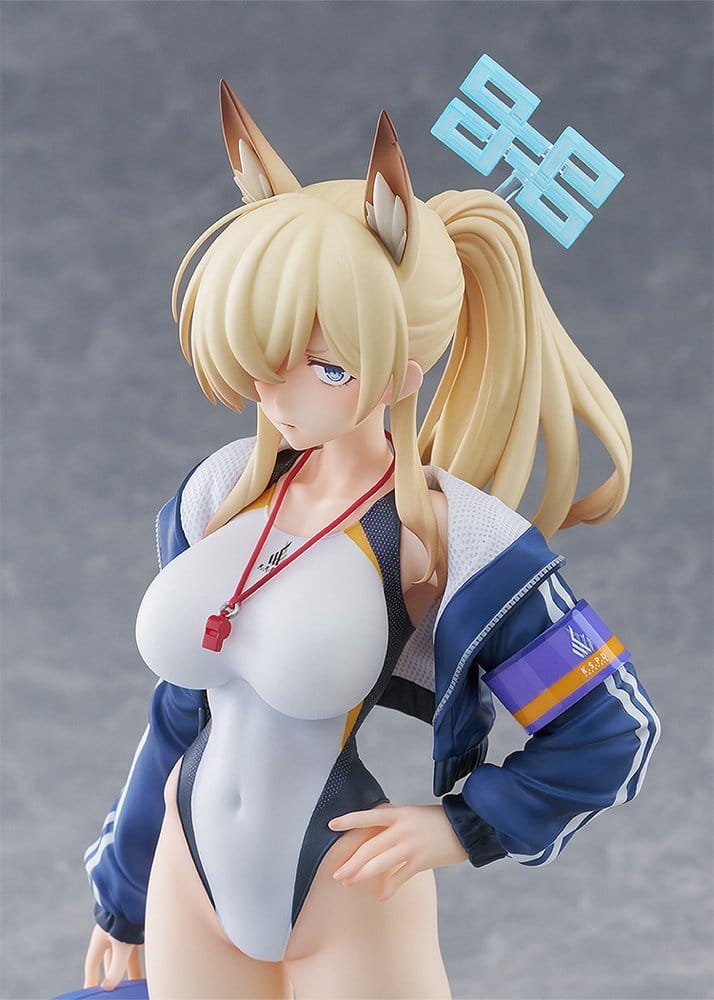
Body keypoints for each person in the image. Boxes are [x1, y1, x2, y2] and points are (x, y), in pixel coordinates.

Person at [80, 81, 660, 1000]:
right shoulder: (224, 495)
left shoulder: (450, 542)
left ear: (400, 371)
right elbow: (182, 713)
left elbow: (610, 727)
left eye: (323, 365)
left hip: (343, 884)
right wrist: (124, 892)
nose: (275, 391)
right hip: (189, 872)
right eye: (262, 352)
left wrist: (464, 824)